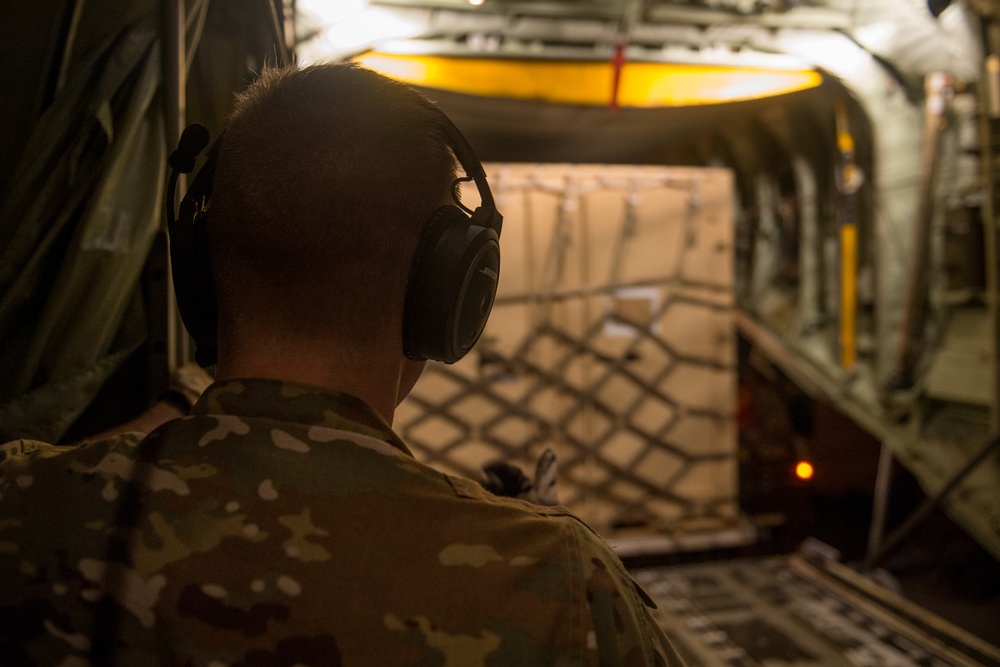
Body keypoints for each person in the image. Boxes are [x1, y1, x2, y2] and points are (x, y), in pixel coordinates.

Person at [0, 62, 683, 666]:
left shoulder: (24, 508)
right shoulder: (557, 585)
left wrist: (169, 419)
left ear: (199, 270)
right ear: (450, 290)